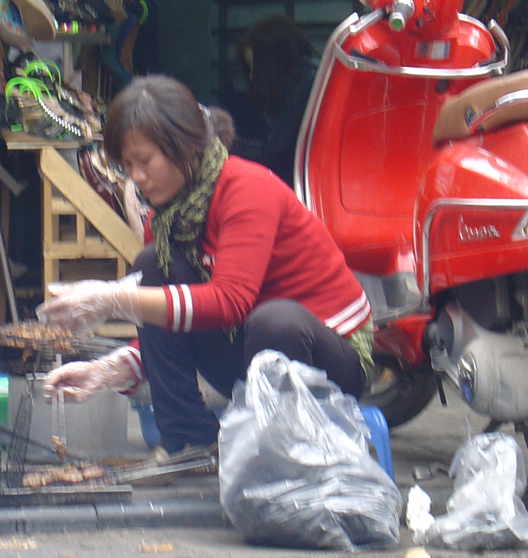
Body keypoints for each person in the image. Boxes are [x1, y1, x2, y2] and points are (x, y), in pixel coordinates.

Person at [38, 74, 373, 457]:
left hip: (328, 354)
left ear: (184, 147)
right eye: (127, 165)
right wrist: (109, 370)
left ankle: (285, 458)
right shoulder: (165, 219)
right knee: (151, 265)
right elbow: (169, 321)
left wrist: (115, 299)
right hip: (251, 349)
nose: (137, 177)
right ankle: (187, 441)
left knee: (274, 321)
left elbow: (230, 302)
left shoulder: (246, 189)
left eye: (145, 161)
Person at [230, 15, 319, 188]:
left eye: (253, 67)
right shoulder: (306, 77)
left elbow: (272, 154)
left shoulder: (301, 87)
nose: (251, 77)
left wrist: (222, 143)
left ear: (270, 63)